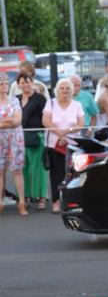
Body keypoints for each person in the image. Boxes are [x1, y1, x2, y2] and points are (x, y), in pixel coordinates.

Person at [42, 78, 84, 213]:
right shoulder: (51, 103)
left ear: (72, 91)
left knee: (73, 174)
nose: (64, 90)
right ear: (57, 90)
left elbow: (80, 124)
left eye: (67, 88)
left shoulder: (77, 105)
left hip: (72, 144)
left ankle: (71, 201)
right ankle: (56, 201)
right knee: (57, 174)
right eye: (62, 88)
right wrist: (60, 134)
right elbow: (46, 121)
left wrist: (66, 134)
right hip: (54, 144)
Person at [16, 72, 48, 209]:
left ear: (32, 82)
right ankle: (25, 197)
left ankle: (41, 197)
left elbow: (45, 117)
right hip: (19, 137)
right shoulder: (15, 99)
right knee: (23, 169)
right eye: (22, 82)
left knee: (39, 169)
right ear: (18, 85)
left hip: (37, 136)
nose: (25, 84)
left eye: (27, 81)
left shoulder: (40, 98)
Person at [0, 73, 28, 215]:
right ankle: (0, 203)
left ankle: (21, 203)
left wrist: (4, 122)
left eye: (5, 82)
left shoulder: (14, 101)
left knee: (17, 170)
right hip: (0, 141)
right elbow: (12, 120)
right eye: (1, 83)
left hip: (15, 139)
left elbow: (17, 120)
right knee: (0, 172)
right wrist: (8, 120)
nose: (4, 85)